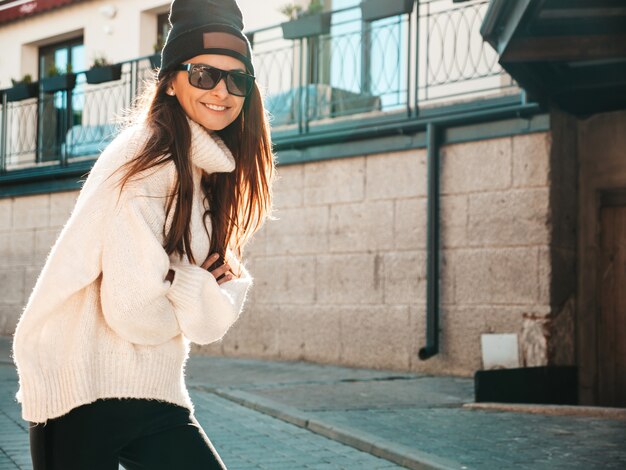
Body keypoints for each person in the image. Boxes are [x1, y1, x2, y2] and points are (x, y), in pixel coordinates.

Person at [11, 0, 275, 468]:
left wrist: (186, 286)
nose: (222, 90)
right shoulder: (150, 157)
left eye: (238, 79)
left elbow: (209, 323)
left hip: (151, 387)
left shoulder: (205, 172)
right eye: (203, 74)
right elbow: (135, 311)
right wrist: (196, 284)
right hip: (78, 388)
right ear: (171, 81)